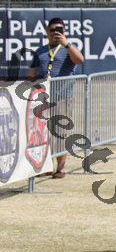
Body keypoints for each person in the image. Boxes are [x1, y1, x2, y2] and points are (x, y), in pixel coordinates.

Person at [29, 17, 85, 179]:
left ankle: (60, 168)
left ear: (64, 31)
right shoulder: (40, 51)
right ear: (47, 31)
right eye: (52, 30)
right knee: (43, 133)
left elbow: (80, 60)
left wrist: (66, 43)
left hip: (62, 98)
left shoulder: (68, 49)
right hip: (42, 99)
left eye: (59, 29)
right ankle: (46, 166)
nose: (55, 32)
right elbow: (32, 74)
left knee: (60, 133)